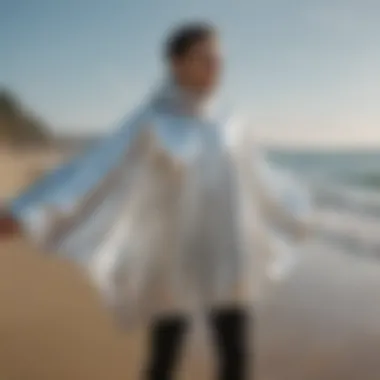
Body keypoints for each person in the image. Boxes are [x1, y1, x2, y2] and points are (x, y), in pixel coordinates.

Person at [1, 22, 311, 380]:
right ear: (176, 63)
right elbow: (94, 170)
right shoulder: (153, 120)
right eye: (204, 57)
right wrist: (23, 213)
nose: (216, 65)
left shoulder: (231, 122)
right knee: (165, 360)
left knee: (237, 358)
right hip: (172, 258)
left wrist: (297, 212)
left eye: (218, 57)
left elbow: (260, 179)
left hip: (227, 253)